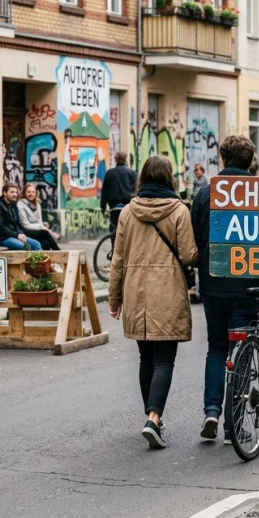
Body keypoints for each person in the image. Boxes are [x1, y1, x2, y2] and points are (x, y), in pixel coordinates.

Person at [108, 156, 198, 450]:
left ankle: (151, 416)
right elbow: (187, 255)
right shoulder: (179, 210)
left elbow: (117, 259)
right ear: (169, 178)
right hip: (167, 291)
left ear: (143, 178)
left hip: (136, 292)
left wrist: (114, 298)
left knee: (146, 358)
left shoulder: (127, 212)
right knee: (164, 360)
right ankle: (154, 417)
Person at [191, 135, 259, 444]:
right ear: (250, 162)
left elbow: (194, 238)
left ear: (222, 160)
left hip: (214, 284)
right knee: (242, 352)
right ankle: (235, 425)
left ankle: (211, 410)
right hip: (248, 285)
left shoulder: (206, 193)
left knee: (217, 347)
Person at [0, 182, 42, 251]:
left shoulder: (13, 205)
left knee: (36, 244)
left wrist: (21, 234)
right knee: (25, 247)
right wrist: (17, 235)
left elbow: (16, 224)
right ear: (5, 193)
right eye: (12, 192)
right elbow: (0, 228)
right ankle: (30, 261)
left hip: (12, 236)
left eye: (16, 192)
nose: (15, 194)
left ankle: (40, 262)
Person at [101, 151, 138, 234]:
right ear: (125, 159)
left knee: (114, 230)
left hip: (114, 207)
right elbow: (137, 191)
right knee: (128, 230)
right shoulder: (132, 173)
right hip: (128, 207)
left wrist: (103, 208)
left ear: (115, 160)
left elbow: (104, 192)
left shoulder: (109, 173)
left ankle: (114, 245)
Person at [17, 184, 60, 251]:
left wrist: (41, 226)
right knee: (45, 233)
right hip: (25, 231)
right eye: (28, 192)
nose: (31, 194)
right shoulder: (20, 204)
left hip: (36, 231)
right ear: (24, 193)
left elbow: (40, 221)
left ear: (36, 194)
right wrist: (40, 227)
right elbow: (25, 225)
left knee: (46, 244)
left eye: (33, 192)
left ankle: (46, 260)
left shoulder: (37, 205)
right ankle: (58, 251)